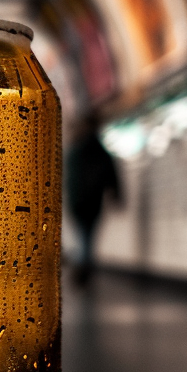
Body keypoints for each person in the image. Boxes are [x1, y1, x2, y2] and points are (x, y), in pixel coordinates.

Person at [66, 112, 121, 284]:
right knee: (88, 234)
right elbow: (111, 174)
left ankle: (82, 265)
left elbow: (69, 177)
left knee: (82, 234)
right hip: (94, 200)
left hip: (77, 201)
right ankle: (84, 265)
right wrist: (116, 194)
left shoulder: (74, 149)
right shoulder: (100, 150)